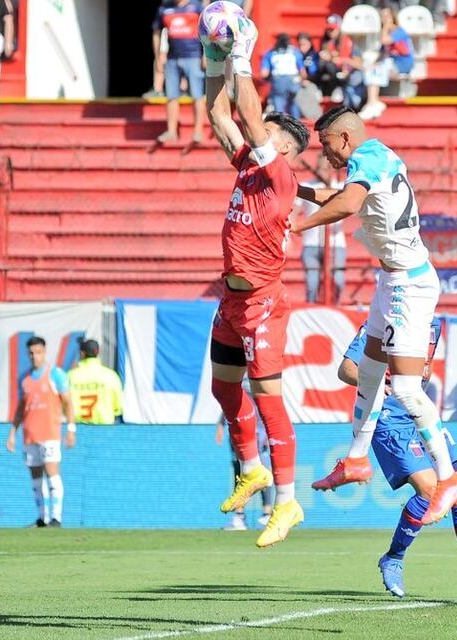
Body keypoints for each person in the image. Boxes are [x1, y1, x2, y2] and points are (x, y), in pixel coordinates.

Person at [292, 106, 457, 525]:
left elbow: (347, 205)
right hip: (393, 282)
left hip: (410, 285)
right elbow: (342, 198)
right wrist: (290, 188)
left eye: (326, 143)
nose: (325, 153)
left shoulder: (364, 161)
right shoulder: (380, 157)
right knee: (369, 371)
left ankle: (448, 479)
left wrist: (297, 227)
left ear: (344, 138)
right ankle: (355, 460)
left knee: (406, 390)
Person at [201, 16, 311, 548]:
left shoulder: (281, 176)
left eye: (265, 130)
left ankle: (287, 503)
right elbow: (219, 112)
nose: (255, 130)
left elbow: (244, 110)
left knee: (268, 400)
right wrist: (212, 55)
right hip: (231, 300)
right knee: (224, 386)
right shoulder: (248, 166)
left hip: (264, 301)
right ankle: (251, 469)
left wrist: (242, 53)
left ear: (283, 148)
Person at [339, 320, 457, 602]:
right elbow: (346, 370)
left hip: (421, 416)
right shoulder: (382, 322)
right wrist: (375, 385)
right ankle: (393, 558)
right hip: (390, 420)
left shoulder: (433, 325)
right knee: (429, 490)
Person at [6, 336, 76, 528]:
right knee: (36, 477)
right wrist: (13, 431)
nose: (34, 356)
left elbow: (68, 402)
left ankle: (57, 517)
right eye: (31, 353)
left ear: (44, 352)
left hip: (50, 433)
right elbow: (21, 408)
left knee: (52, 473)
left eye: (38, 352)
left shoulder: (55, 374)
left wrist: (70, 428)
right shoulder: (25, 379)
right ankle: (42, 518)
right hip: (30, 434)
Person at [215, 383, 274, 531]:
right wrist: (221, 424)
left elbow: (270, 403)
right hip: (236, 429)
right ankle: (239, 516)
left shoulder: (258, 377)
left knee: (260, 472)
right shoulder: (235, 376)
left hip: (257, 431)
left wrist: (269, 431)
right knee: (239, 473)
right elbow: (229, 400)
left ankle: (267, 514)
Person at [294, 155, 346, 304]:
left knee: (338, 281)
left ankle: (335, 310)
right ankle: (311, 312)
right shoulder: (307, 186)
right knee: (312, 284)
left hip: (336, 243)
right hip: (311, 243)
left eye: (326, 168)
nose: (322, 171)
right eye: (320, 168)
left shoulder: (342, 187)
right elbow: (294, 211)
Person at [155, 0, 207, 144]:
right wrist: (158, 56)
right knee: (171, 96)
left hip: (193, 57)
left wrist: (206, 54)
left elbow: (207, 31)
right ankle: (171, 131)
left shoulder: (197, 7)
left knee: (197, 95)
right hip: (172, 58)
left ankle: (198, 132)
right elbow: (156, 32)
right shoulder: (165, 8)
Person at [359, 7, 416, 121]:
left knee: (380, 67)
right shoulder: (387, 33)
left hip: (402, 64)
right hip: (391, 64)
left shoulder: (399, 31)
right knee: (372, 68)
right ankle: (372, 102)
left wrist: (385, 27)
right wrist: (372, 65)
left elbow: (385, 40)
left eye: (387, 17)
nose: (384, 20)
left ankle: (373, 102)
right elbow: (382, 54)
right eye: (382, 17)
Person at [67, 338, 123, 425]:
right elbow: (118, 407)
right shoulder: (111, 376)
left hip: (78, 428)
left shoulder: (70, 376)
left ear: (82, 353)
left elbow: (62, 404)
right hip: (104, 428)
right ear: (98, 352)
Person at [317, 14, 364, 110]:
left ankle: (355, 106)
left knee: (355, 79)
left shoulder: (349, 41)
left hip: (351, 73)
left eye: (333, 29)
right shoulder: (325, 43)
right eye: (328, 29)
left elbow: (359, 63)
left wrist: (343, 61)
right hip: (335, 75)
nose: (330, 32)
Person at [261, 33, 306, 118]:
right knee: (294, 102)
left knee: (278, 101)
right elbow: (303, 72)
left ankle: (281, 123)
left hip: (278, 80)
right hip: (294, 80)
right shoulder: (295, 51)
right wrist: (302, 80)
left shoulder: (271, 52)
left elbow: (264, 73)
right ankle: (296, 123)